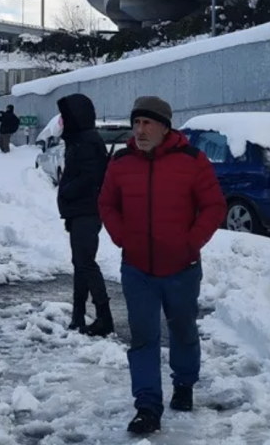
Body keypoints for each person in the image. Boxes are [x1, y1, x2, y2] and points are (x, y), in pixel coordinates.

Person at [97, 96, 226, 435]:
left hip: (182, 267)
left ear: (165, 128)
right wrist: (122, 237)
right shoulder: (121, 162)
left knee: (182, 329)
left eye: (147, 123)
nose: (140, 130)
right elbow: (106, 203)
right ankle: (147, 406)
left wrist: (190, 243)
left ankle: (184, 383)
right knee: (143, 337)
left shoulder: (193, 161)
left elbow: (214, 206)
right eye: (136, 123)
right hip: (137, 268)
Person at [55, 93, 112, 337]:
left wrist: (67, 191)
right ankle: (78, 313)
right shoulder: (78, 139)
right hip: (79, 210)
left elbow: (90, 176)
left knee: (86, 263)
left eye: (65, 115)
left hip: (86, 211)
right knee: (80, 263)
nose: (63, 120)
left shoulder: (87, 141)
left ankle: (104, 316)